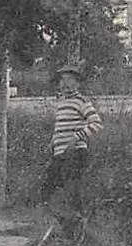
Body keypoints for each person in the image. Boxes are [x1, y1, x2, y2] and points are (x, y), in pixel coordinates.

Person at [43, 62, 102, 226]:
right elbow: (60, 127)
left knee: (72, 186)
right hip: (59, 153)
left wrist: (77, 137)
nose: (66, 84)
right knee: (48, 187)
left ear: (77, 83)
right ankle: (61, 222)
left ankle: (79, 222)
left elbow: (96, 123)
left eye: (70, 80)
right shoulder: (61, 103)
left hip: (76, 152)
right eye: (63, 80)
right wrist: (53, 142)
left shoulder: (81, 101)